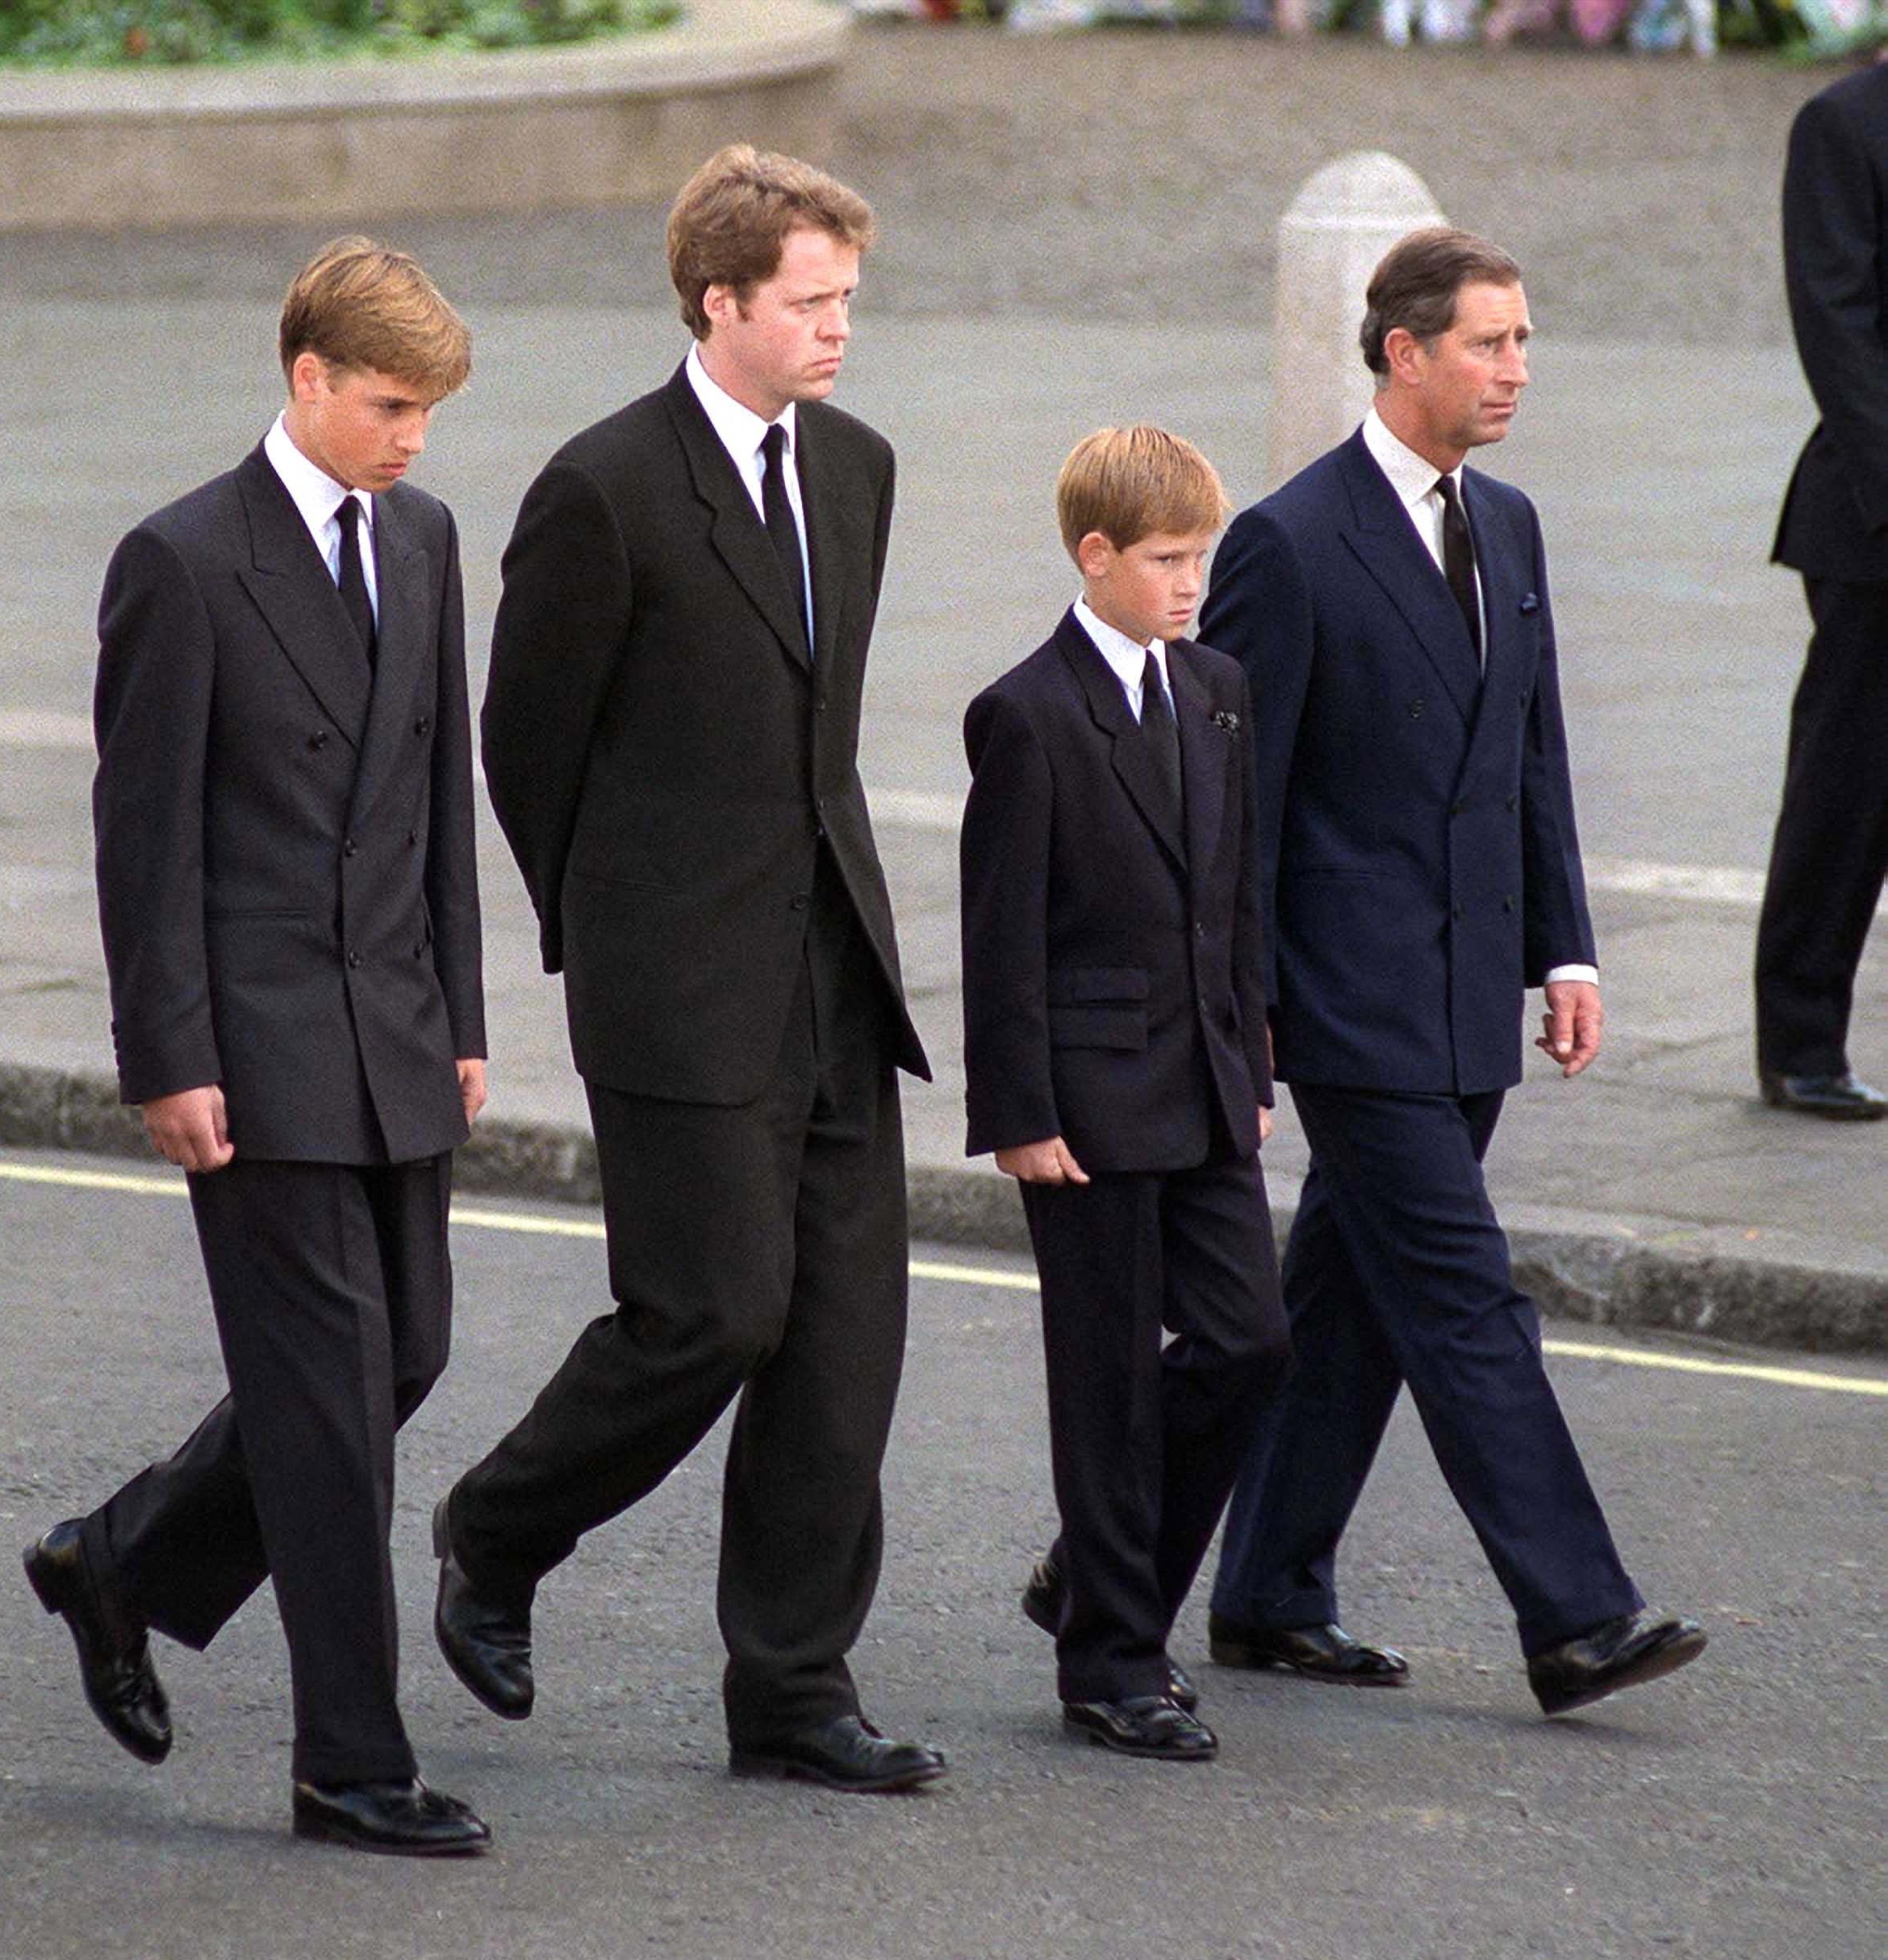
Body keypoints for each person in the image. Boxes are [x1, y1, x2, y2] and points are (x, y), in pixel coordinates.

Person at [432, 144, 944, 1795]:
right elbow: (525, 750)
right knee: (712, 1314)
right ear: (718, 302)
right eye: (810, 303)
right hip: (676, 984)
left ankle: (791, 1688)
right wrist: (611, 936)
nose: (838, 329)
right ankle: (497, 1528)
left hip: (833, 969)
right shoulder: (607, 491)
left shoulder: (858, 470)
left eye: (847, 301)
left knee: (843, 1345)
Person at [22, 239, 491, 1858]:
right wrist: (168, 1056)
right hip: (259, 1045)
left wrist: (468, 1022)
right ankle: (348, 1764)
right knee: (325, 1413)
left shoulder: (425, 539)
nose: (413, 436)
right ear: (303, 379)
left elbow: (441, 802)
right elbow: (138, 840)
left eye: (427, 409)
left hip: (398, 1032)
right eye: (386, 404)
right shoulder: (185, 560)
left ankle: (124, 1562)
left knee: (404, 1358)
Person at [1201, 228, 1705, 1720]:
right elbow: (1240, 810)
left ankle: (1240, 1580)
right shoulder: (1288, 543)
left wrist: (1562, 945)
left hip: (1470, 985)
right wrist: (1243, 1019)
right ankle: (1577, 1615)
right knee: (1466, 1299)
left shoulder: (1515, 526)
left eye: (1523, 341)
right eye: (1488, 342)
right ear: (1402, 351)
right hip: (1347, 1006)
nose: (1515, 370)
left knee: (1342, 1306)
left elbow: (1527, 757)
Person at [965, 428, 1289, 1764]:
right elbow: (1001, 934)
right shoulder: (1026, 712)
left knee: (1248, 1342)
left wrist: (1253, 1053)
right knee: (1103, 1382)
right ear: (1093, 557)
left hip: (1207, 1078)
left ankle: (1096, 1577)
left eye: (1201, 554)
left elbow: (1237, 893)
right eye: (1166, 558)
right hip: (1085, 1104)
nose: (1191, 581)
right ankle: (1110, 1660)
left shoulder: (1217, 686)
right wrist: (1018, 1110)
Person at [1755, 59, 1888, 1121]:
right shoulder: (1839, 124)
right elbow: (1834, 320)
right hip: (1871, 523)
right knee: (1848, 791)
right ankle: (1800, 1037)